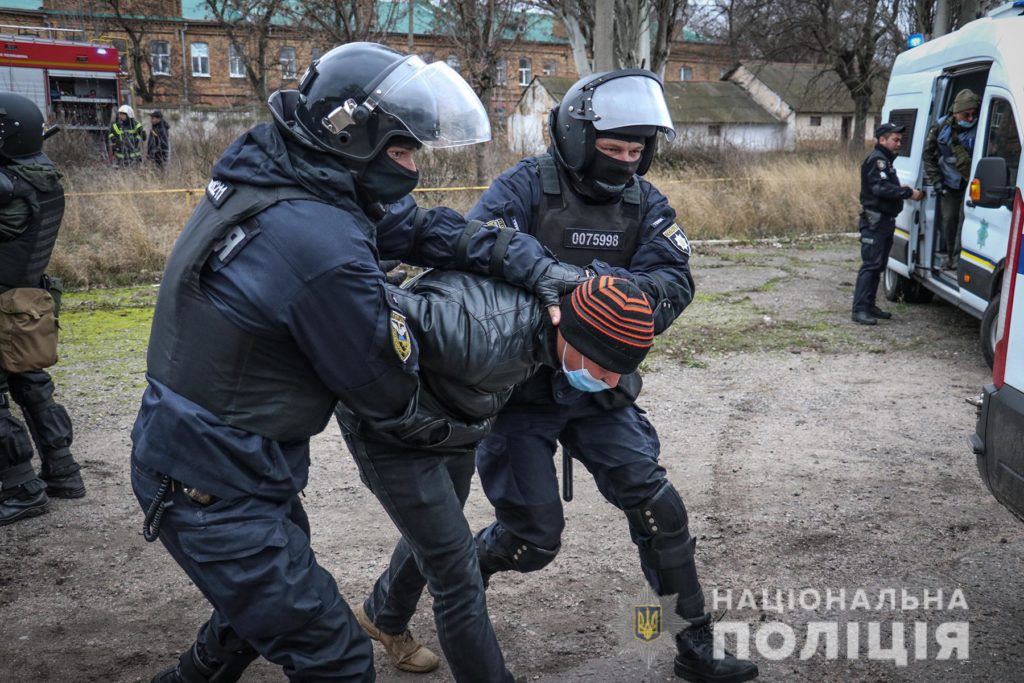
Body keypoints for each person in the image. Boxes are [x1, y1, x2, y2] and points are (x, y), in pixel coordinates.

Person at [131, 42, 588, 683]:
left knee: (257, 608)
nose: (415, 164)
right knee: (334, 655)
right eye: (403, 149)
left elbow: (423, 228)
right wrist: (480, 397)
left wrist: (534, 266)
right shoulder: (320, 245)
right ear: (355, 134)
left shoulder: (287, 169)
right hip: (213, 485)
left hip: (220, 457)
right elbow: (385, 394)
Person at [356, 68, 753, 682]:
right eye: (613, 148)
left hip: (599, 386)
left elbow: (674, 280)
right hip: (520, 392)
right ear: (576, 138)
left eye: (635, 151)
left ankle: (693, 648)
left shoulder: (647, 203)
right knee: (532, 540)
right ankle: (412, 594)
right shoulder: (522, 187)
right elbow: (477, 253)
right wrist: (548, 290)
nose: (625, 161)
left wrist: (604, 299)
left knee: (660, 511)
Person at [339, 273, 655, 683]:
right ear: (575, 338)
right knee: (457, 576)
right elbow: (363, 309)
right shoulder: (476, 335)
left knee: (439, 528)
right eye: (607, 368)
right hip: (392, 434)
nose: (611, 382)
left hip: (449, 424)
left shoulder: (558, 320)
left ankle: (381, 616)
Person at [0, 93, 86, 526]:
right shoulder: (42, 175)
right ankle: (63, 470)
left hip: (3, 306)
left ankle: (21, 488)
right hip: (27, 303)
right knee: (33, 386)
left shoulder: (11, 188)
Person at [852, 122, 924, 325]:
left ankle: (869, 305)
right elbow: (880, 189)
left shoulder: (885, 161)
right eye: (895, 140)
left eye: (900, 140)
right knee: (871, 265)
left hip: (884, 221)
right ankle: (859, 309)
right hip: (875, 221)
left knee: (878, 266)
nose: (898, 144)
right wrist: (908, 192)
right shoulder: (877, 161)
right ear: (882, 140)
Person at [923, 88, 979, 270]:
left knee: (965, 220)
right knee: (949, 219)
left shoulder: (982, 126)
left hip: (972, 183)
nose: (970, 119)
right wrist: (936, 181)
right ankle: (948, 254)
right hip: (949, 183)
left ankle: (958, 258)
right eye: (966, 115)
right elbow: (928, 156)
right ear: (956, 113)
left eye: (973, 114)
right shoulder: (940, 128)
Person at [109, 103, 145, 167]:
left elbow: (144, 137)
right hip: (120, 158)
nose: (120, 116)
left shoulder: (136, 125)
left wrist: (138, 137)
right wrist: (115, 140)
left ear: (129, 115)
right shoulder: (116, 125)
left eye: (123, 114)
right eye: (120, 114)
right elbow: (110, 134)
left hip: (134, 158)